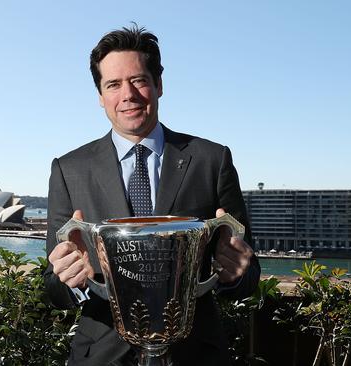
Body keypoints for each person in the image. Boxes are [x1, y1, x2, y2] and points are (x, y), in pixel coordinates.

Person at [44, 24, 260, 366]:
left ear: (158, 85)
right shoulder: (69, 170)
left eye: (138, 80)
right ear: (100, 97)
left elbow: (249, 275)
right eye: (113, 85)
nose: (127, 94)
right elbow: (53, 288)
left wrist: (236, 273)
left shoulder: (211, 160)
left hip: (196, 355)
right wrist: (71, 281)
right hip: (101, 356)